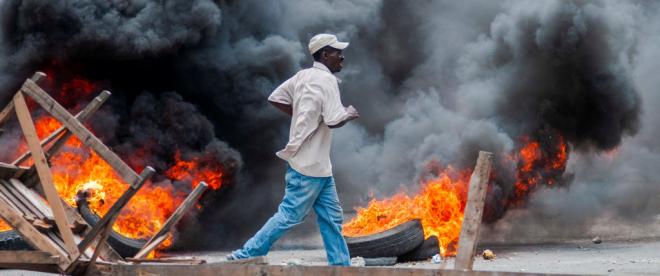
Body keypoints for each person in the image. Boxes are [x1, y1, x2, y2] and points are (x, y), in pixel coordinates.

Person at [227, 34, 359, 266]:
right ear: (325, 54)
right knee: (290, 215)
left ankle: (340, 266)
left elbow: (275, 97)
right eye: (337, 52)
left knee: (332, 218)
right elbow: (333, 120)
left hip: (318, 166)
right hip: (308, 166)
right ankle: (247, 254)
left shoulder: (302, 76)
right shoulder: (326, 81)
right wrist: (348, 113)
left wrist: (299, 115)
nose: (342, 56)